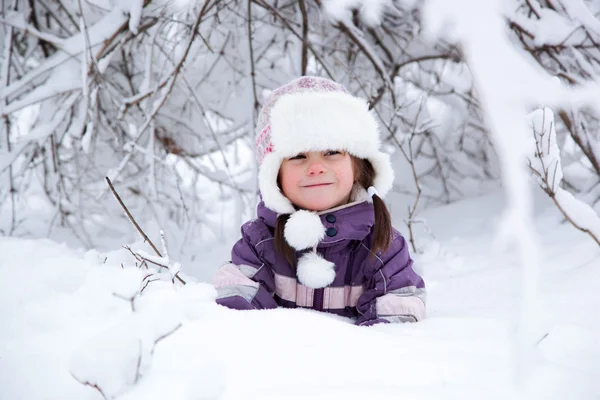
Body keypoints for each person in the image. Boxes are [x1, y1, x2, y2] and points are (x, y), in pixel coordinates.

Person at [212, 76, 425, 326]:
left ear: (357, 166)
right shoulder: (260, 243)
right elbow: (235, 313)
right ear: (275, 174)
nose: (315, 168)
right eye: (298, 156)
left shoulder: (382, 246)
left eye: (331, 152)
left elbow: (398, 318)